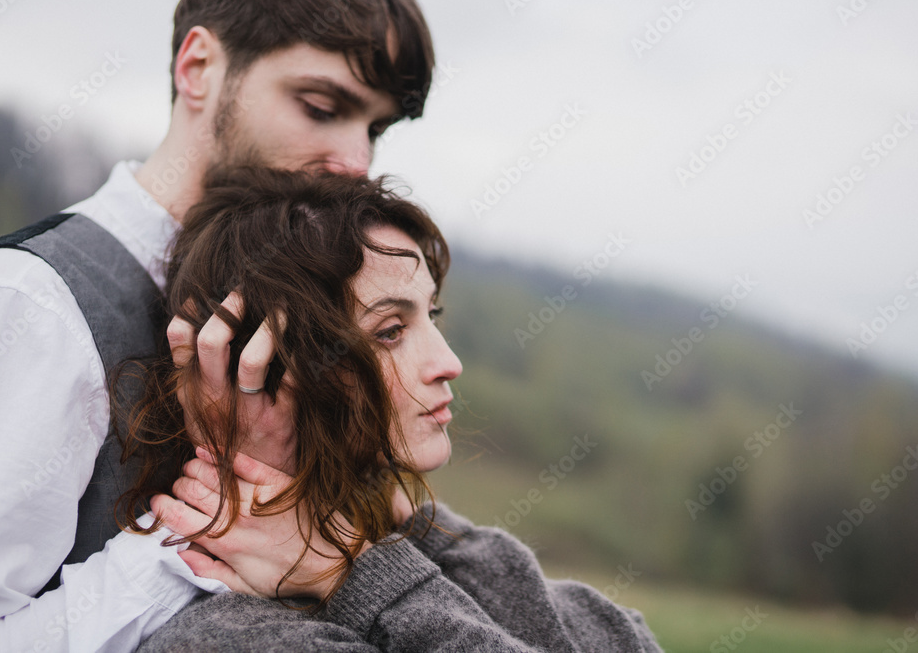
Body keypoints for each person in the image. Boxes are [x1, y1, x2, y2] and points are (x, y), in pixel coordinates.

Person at [0, 0, 434, 649]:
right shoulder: (29, 303)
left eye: (376, 129)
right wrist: (205, 530)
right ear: (199, 68)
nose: (356, 162)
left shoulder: (297, 304)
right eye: (322, 107)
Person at [119, 166, 662, 651]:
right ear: (259, 371)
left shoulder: (429, 548)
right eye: (391, 330)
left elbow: (624, 638)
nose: (449, 362)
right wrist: (354, 570)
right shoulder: (229, 639)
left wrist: (351, 559)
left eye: (432, 315)